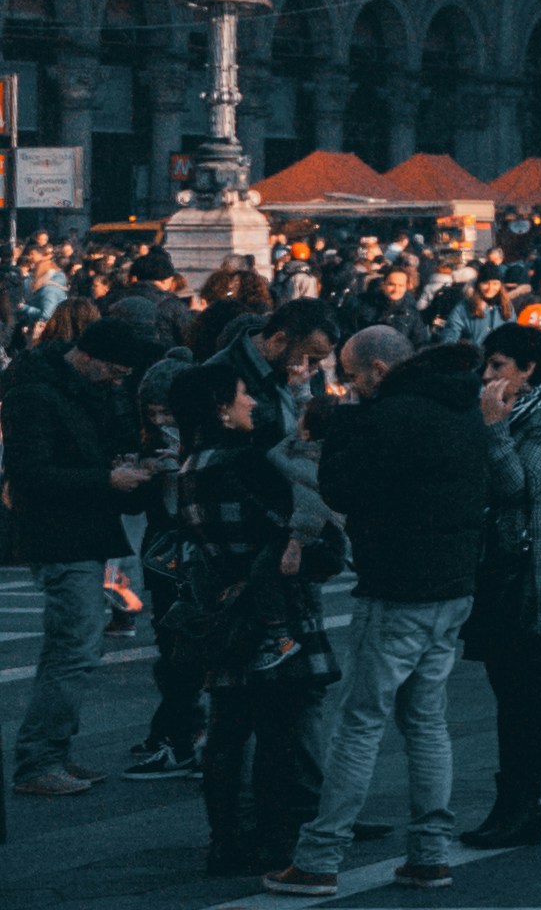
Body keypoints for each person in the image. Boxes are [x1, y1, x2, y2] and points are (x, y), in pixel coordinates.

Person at [272, 328, 491, 896]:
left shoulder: (393, 414)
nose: (350, 387)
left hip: (397, 585)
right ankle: (430, 853)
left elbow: (342, 489)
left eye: (351, 375)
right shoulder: (461, 403)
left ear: (374, 369)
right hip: (453, 581)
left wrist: (337, 432)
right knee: (425, 720)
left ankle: (321, 856)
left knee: (360, 722)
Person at [153, 350, 335, 884]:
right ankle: (276, 839)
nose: (252, 400)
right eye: (242, 394)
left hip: (223, 611)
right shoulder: (248, 462)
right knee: (279, 731)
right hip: (270, 607)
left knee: (228, 730)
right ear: (220, 408)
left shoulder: (190, 466)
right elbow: (302, 526)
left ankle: (225, 839)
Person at [5, 297, 158, 799]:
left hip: (84, 531)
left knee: (71, 647)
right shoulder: (36, 394)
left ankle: (51, 751)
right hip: (57, 534)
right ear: (89, 356)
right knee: (74, 647)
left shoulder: (91, 391)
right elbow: (29, 474)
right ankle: (39, 759)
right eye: (114, 371)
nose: (118, 380)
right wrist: (106, 478)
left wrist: (134, 461)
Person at [460, 321, 541, 850]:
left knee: (529, 695)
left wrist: (491, 428)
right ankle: (512, 803)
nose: (488, 376)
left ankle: (525, 802)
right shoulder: (507, 419)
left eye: (499, 366)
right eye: (487, 366)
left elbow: (516, 486)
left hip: (536, 577)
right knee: (509, 695)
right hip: (500, 573)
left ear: (529, 370)